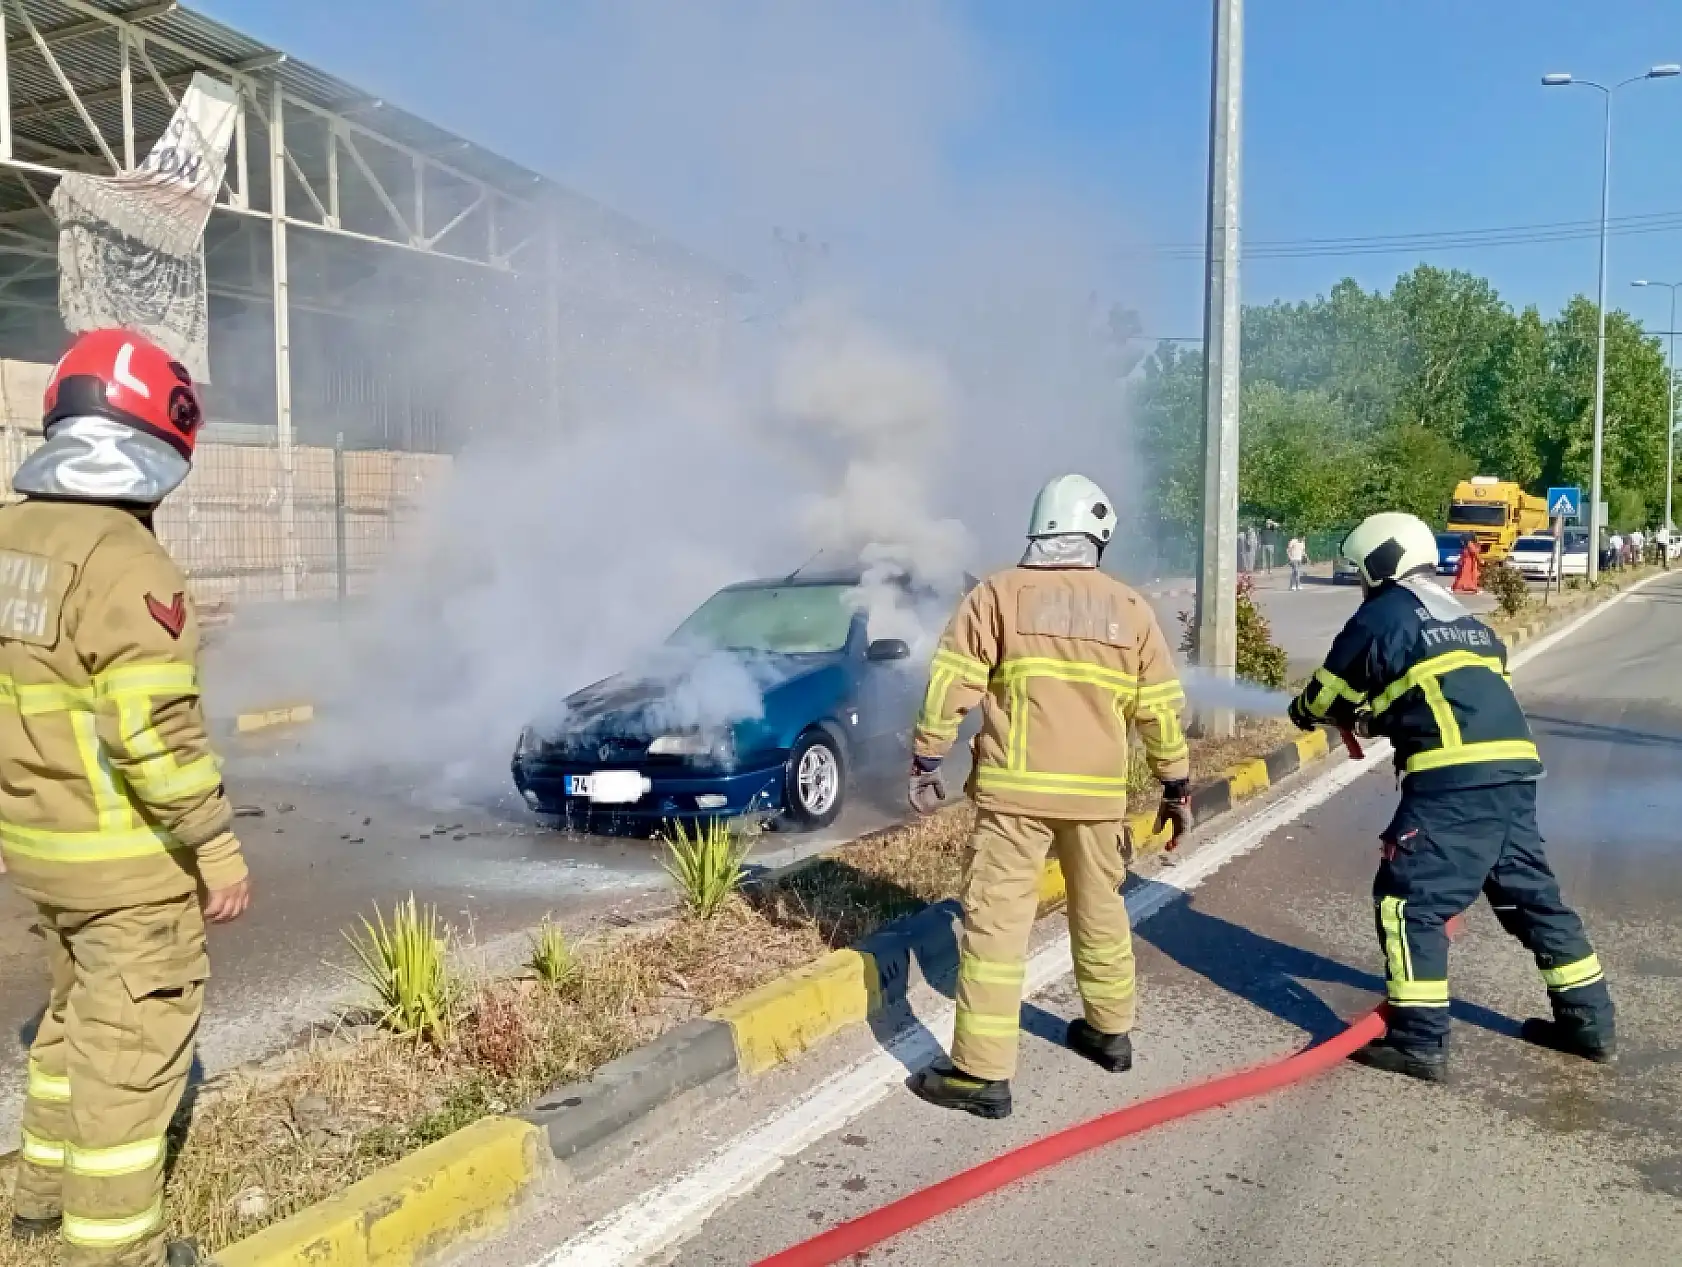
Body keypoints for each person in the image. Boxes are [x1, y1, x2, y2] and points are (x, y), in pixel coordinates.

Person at [2, 330, 249, 1267]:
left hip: (41, 852)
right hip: (127, 868)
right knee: (132, 1056)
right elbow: (154, 737)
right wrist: (217, 850)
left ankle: (36, 1204)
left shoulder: (7, 537)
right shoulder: (126, 562)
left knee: (69, 1022)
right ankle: (113, 1250)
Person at [1286, 512, 1614, 1082]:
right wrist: (1381, 716)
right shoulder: (1463, 618)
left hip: (1453, 784)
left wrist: (1306, 711)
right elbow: (1445, 694)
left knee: (1410, 901)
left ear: (1377, 565)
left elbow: (1330, 689)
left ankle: (1418, 1040)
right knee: (1535, 902)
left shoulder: (1383, 612)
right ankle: (1589, 1025)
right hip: (1513, 778)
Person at [905, 473, 1192, 1119]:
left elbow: (953, 680)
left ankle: (981, 1072)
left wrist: (927, 753)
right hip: (1097, 799)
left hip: (1015, 797)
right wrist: (1175, 781)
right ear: (1097, 536)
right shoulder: (1131, 608)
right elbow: (1161, 709)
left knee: (997, 929)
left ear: (1038, 528)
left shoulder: (998, 596)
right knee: (1101, 910)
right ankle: (1110, 1032)